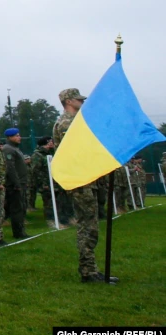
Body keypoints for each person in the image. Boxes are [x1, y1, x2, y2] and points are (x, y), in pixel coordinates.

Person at [54, 88, 117, 284]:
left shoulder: (76, 122)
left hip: (87, 178)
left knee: (91, 225)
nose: (82, 102)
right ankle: (88, 271)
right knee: (87, 226)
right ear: (68, 101)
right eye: (78, 99)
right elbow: (76, 151)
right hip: (79, 180)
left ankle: (91, 269)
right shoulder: (66, 123)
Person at [2, 128, 29, 240]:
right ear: (9, 137)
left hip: (21, 182)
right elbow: (10, 168)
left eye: (19, 135)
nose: (19, 137)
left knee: (21, 207)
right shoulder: (8, 149)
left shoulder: (15, 148)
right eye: (16, 136)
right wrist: (16, 183)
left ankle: (21, 230)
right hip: (15, 184)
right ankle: (18, 232)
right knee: (17, 208)